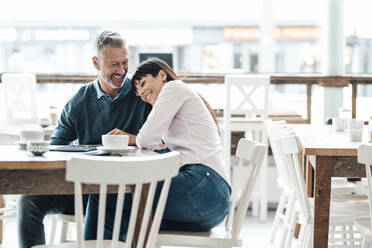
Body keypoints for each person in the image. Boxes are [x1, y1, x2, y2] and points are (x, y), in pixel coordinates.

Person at [17, 31, 151, 248]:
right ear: (96, 63)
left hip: (128, 190)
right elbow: (56, 146)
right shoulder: (79, 101)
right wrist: (92, 150)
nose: (121, 70)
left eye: (125, 63)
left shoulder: (142, 95)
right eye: (114, 64)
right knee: (28, 200)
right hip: (87, 188)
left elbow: (161, 141)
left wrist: (134, 140)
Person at [84, 58, 231, 239]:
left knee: (103, 195)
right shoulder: (179, 103)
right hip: (209, 202)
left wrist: (133, 139)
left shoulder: (173, 87)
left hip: (204, 187)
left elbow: (145, 139)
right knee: (123, 216)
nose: (142, 93)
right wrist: (137, 139)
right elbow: (151, 143)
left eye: (143, 83)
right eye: (138, 91)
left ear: (162, 75)